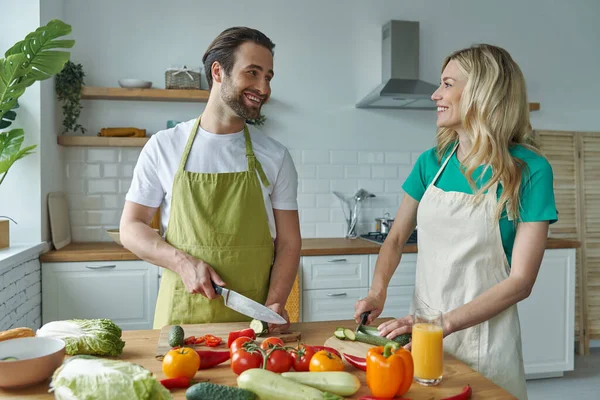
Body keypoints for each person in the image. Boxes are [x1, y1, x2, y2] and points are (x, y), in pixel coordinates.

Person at [354, 44, 557, 400]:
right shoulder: (432, 162)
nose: (435, 95)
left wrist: (441, 325)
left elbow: (522, 281)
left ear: (482, 92)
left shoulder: (530, 171)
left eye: (447, 84)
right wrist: (377, 290)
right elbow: (397, 237)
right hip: (424, 336)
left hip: (487, 341)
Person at [120, 27, 301, 331]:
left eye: (268, 77)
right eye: (253, 73)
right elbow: (130, 227)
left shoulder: (275, 155)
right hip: (180, 321)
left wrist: (275, 303)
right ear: (218, 72)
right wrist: (181, 262)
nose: (264, 87)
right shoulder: (165, 146)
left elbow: (289, 242)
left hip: (253, 320)